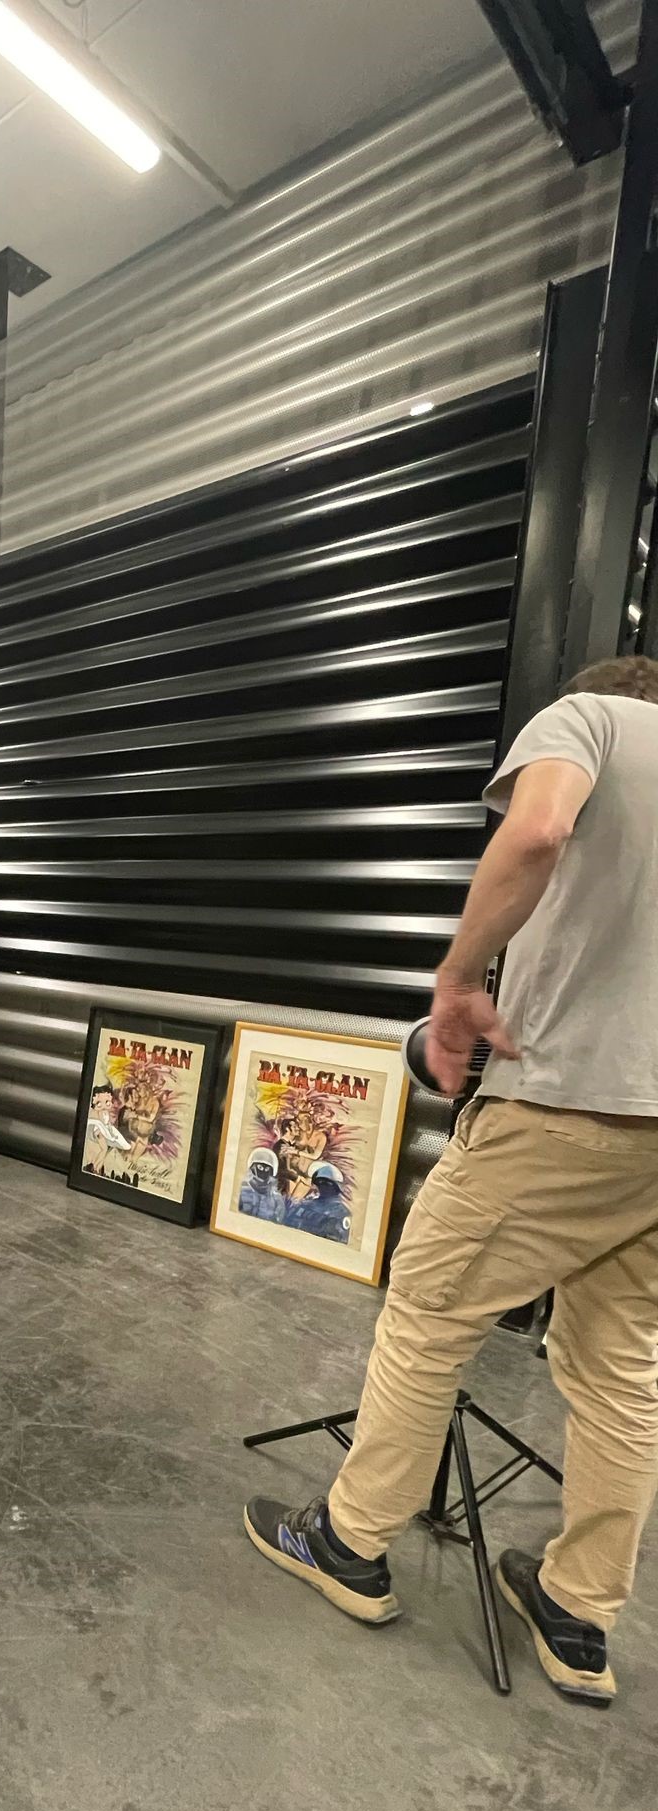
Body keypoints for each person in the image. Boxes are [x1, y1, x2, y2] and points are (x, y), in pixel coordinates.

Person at [245, 656, 658, 1708]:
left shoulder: (590, 719)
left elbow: (536, 831)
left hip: (573, 1105)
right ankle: (578, 1614)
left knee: (429, 1310)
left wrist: (459, 977)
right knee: (621, 1369)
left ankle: (348, 1539)